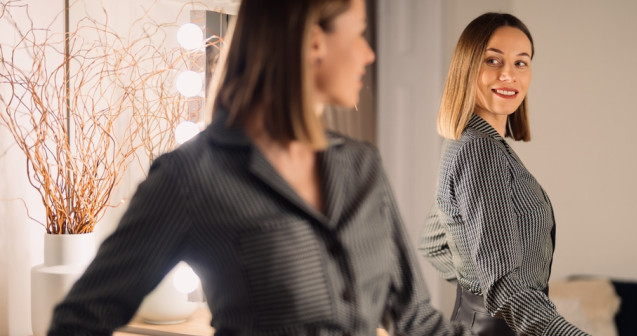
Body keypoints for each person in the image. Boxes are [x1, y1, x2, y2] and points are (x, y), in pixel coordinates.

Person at [48, 0, 472, 335]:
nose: (369, 53)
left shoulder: (362, 167)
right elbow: (79, 321)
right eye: (359, 33)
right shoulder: (192, 178)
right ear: (313, 41)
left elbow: (416, 320)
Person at [418, 13, 589, 336]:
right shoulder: (480, 151)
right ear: (467, 67)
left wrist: (478, 286)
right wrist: (491, 290)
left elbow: (433, 243)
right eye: (493, 60)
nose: (509, 74)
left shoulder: (463, 142)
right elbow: (506, 287)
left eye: (521, 63)